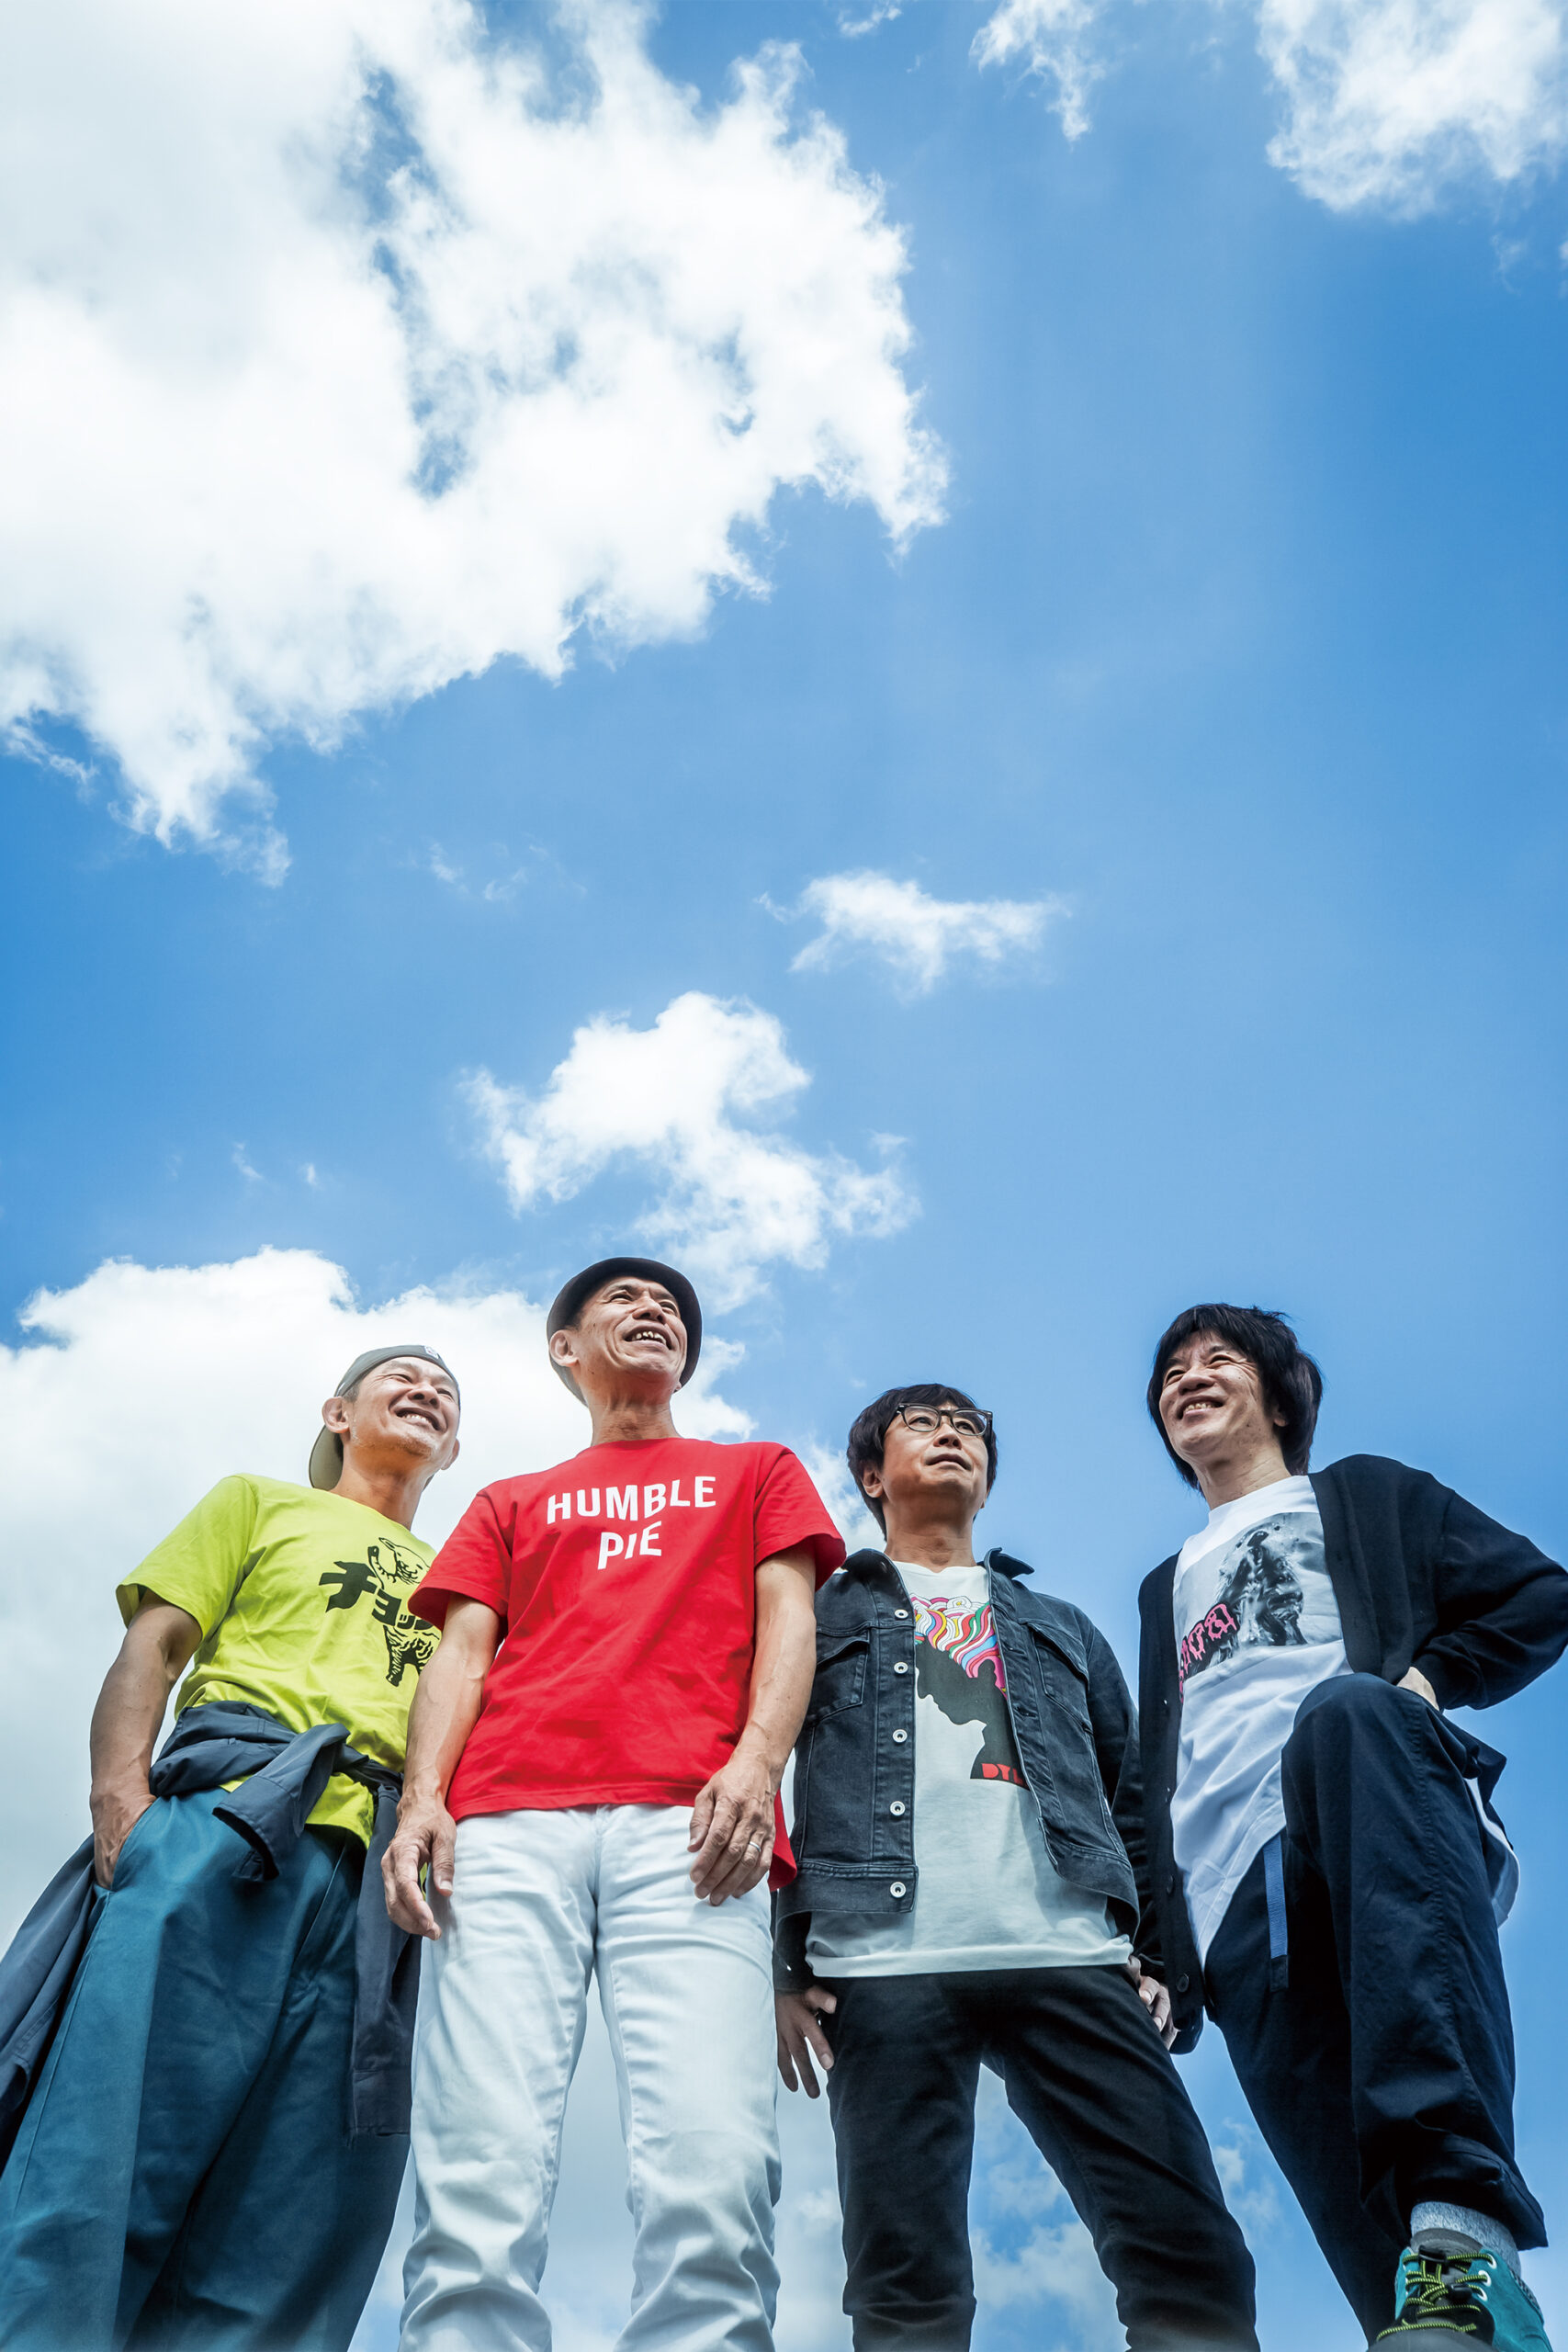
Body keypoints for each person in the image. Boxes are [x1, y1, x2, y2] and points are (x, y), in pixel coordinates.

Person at [385, 1256, 845, 2352]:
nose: (655, 1311)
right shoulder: (508, 1499)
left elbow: (792, 1622)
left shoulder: (757, 1469)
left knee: (715, 2161)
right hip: (503, 1825)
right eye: (623, 1303)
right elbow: (460, 1657)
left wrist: (757, 1761)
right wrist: (420, 1803)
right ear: (564, 1350)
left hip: (694, 1827)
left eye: (671, 1308)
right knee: (477, 2158)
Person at [773, 1383, 1259, 2352]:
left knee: (1187, 2248)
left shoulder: (1062, 1623)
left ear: (987, 1481)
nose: (954, 1432)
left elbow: (1135, 1793)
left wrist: (1156, 1955)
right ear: (872, 1474)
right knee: (904, 2280)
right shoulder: (812, 1618)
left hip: (1071, 1950)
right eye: (925, 1422)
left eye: (971, 1429)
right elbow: (754, 1774)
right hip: (877, 1967)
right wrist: (783, 1963)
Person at [0, 1343, 463, 2352]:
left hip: (376, 1886)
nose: (426, 1387)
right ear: (337, 1411)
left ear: (455, 1446)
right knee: (109, 2131)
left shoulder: (470, 1584)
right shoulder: (259, 1500)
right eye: (401, 1376)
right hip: (228, 1818)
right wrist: (122, 1790)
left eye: (445, 1392)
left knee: (300, 2201)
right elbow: (157, 1642)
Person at [1138, 1303, 1568, 2351]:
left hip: (1364, 1806)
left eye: (1219, 1359)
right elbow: (1157, 1776)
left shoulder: (1360, 1494)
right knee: (1369, 2249)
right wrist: (1156, 1946)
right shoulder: (1167, 1586)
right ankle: (1444, 2327)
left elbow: (1539, 1596)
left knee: (1348, 1708)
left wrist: (1423, 1681)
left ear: (1279, 1394)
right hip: (1231, 1895)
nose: (1189, 1376)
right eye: (1171, 1371)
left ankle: (1469, 2235)